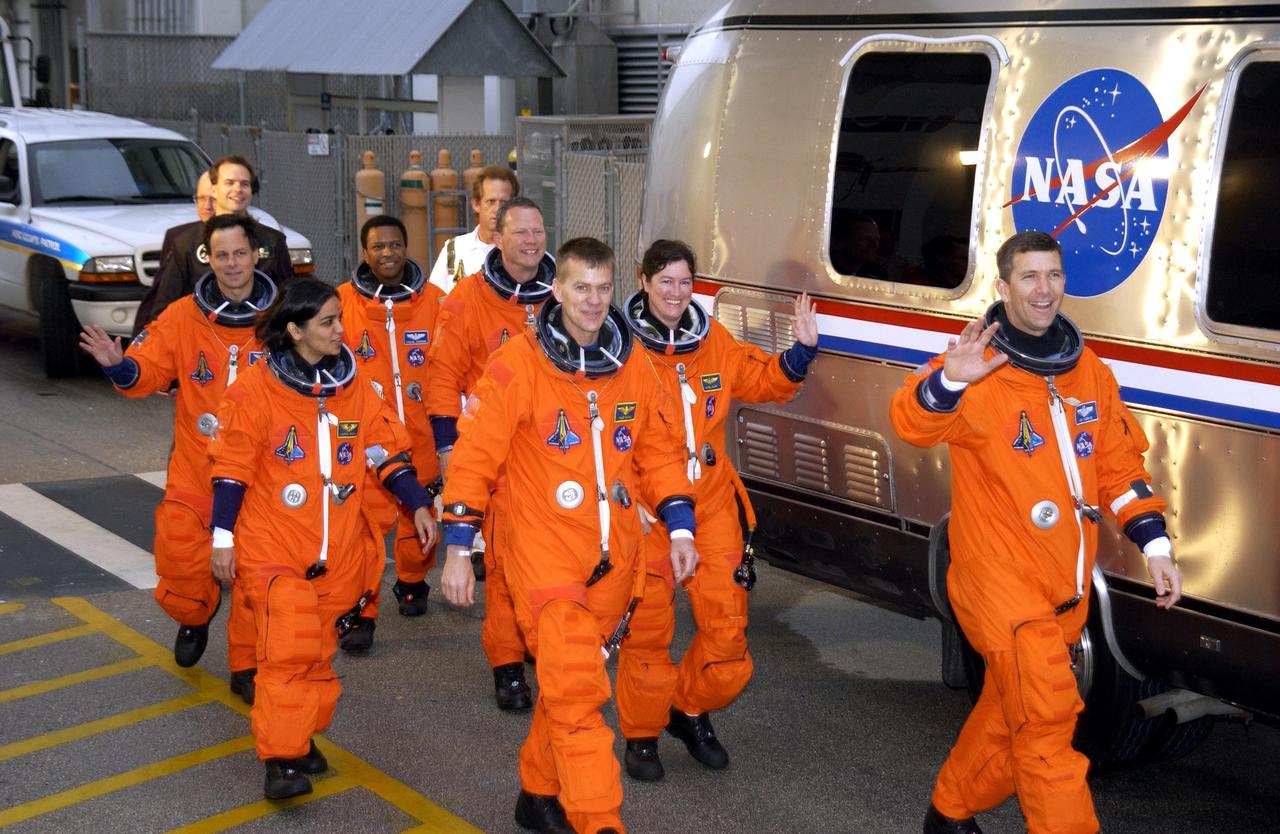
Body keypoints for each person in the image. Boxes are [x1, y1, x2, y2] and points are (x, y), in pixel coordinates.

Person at [889, 231, 1182, 834]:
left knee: (1008, 711)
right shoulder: (978, 367)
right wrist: (950, 379)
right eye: (1028, 277)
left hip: (1062, 588)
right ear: (1003, 286)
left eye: (1052, 276)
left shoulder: (1089, 372)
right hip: (997, 581)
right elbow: (911, 422)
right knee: (1048, 721)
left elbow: (1119, 468)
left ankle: (949, 811)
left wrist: (1154, 544)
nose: (1043, 290)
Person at [439, 236, 697, 834]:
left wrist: (680, 526)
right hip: (543, 556)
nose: (593, 301)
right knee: (581, 692)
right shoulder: (516, 365)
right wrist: (458, 550)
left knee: (566, 682)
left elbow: (659, 452)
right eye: (580, 287)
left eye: (604, 288)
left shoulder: (632, 364)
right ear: (555, 289)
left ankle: (537, 793)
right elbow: (475, 459)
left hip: (614, 559)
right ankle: (598, 820)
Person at [207, 278, 437, 800]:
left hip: (337, 552)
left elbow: (384, 453)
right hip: (273, 548)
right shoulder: (255, 389)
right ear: (295, 330)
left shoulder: (353, 384)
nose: (341, 329)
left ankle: (300, 735)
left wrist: (418, 502)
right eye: (328, 322)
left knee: (316, 654)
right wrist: (223, 539)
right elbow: (231, 470)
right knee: (287, 653)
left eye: (340, 318)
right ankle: (281, 760)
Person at [614, 239, 819, 781]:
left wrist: (799, 354)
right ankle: (640, 734)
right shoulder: (620, 352)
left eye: (685, 282)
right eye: (665, 282)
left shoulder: (713, 341)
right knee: (648, 635)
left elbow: (759, 380)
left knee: (728, 638)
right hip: (649, 515)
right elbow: (608, 440)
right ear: (643, 280)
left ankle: (688, 710)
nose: (676, 294)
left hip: (709, 507)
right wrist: (622, 500)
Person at [79, 213, 276, 704]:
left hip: (261, 476)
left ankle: (247, 664)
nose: (232, 264)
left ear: (256, 255)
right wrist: (119, 365)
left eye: (240, 253)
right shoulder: (185, 315)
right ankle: (194, 614)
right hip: (196, 469)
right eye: (222, 255)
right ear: (209, 258)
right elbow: (147, 369)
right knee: (183, 562)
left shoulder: (281, 319)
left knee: (257, 577)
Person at [426, 196, 554, 712]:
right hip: (496, 460)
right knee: (502, 570)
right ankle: (507, 665)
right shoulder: (466, 299)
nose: (531, 241)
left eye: (538, 232)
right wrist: (446, 448)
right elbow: (439, 377)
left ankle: (541, 642)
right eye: (520, 233)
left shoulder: (564, 296)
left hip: (552, 459)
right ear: (496, 239)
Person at [335, 215, 446, 650]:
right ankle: (359, 611)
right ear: (365, 253)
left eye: (395, 245)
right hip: (364, 439)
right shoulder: (343, 302)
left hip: (420, 435)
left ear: (407, 247)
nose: (388, 253)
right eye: (378, 246)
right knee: (360, 536)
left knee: (417, 521)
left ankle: (412, 579)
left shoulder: (435, 300)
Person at [135, 155, 294, 332]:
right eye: (229, 182)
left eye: (244, 184)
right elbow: (164, 310)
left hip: (258, 341)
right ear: (214, 190)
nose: (238, 189)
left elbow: (289, 301)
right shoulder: (186, 243)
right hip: (202, 343)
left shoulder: (273, 240)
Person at [131, 170, 216, 338]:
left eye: (213, 199)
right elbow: (161, 298)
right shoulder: (179, 238)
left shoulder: (260, 237)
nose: (207, 205)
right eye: (200, 198)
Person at [427, 164, 520, 293]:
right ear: (476, 204)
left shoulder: (523, 251)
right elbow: (434, 300)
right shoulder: (453, 249)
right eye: (491, 201)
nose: (498, 209)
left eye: (503, 202)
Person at [831, 213, 887, 279]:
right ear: (838, 242)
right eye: (865, 239)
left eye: (877, 239)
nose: (874, 245)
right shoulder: (825, 271)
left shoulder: (876, 274)